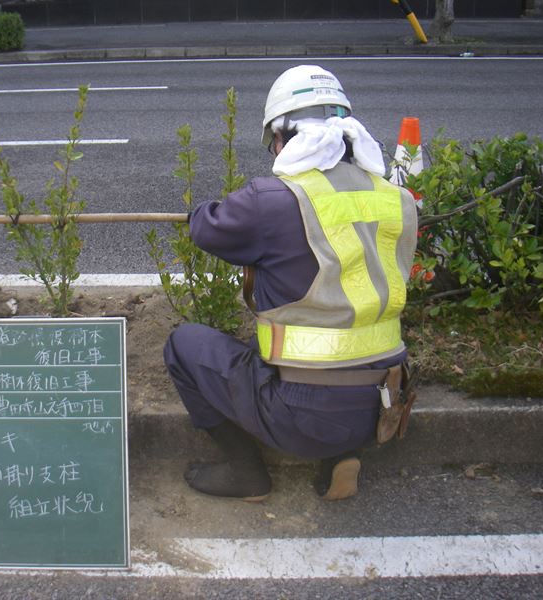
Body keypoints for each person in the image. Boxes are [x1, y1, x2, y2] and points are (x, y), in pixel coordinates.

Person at [163, 65, 418, 502]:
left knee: (183, 345)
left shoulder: (274, 199)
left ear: (281, 137)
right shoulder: (396, 199)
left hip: (302, 414)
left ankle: (245, 472)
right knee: (327, 337)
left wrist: (200, 210)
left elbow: (208, 228)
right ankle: (341, 456)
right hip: (384, 406)